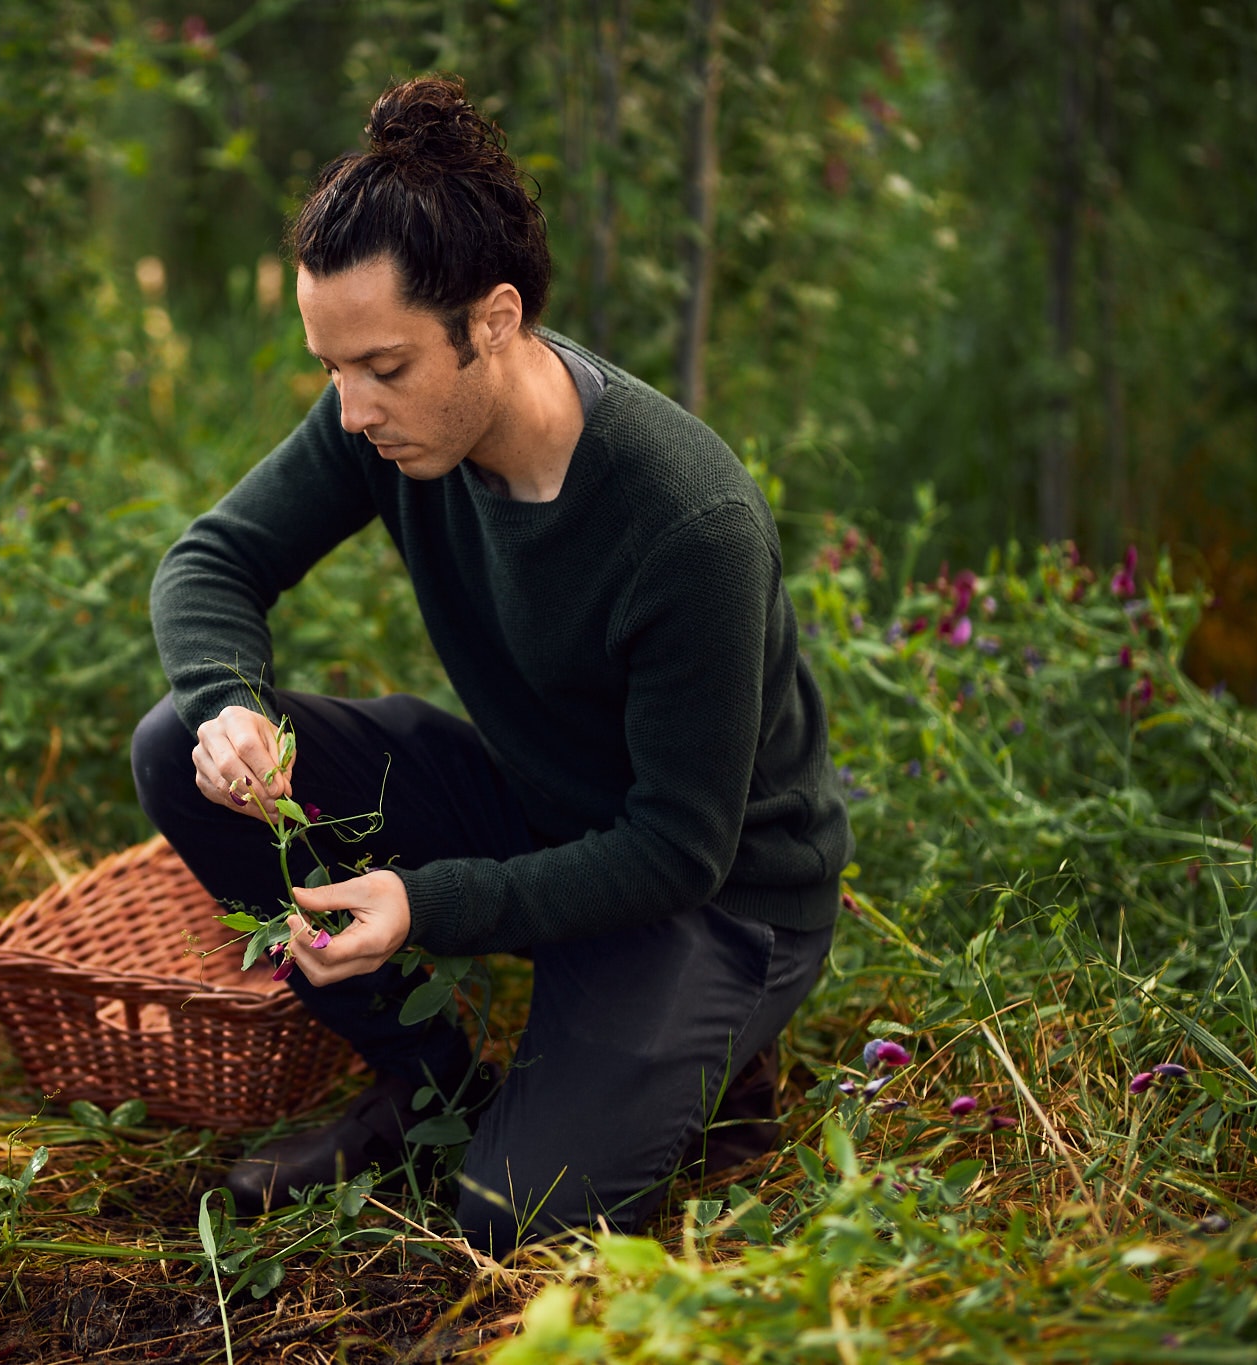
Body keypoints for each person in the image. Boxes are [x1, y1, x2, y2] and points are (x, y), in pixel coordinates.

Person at [130, 75, 853, 1255]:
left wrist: (427, 904)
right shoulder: (385, 415)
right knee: (171, 744)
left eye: (381, 367)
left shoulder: (686, 526)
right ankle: (426, 1085)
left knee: (514, 1217)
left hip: (716, 893)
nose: (352, 409)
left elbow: (677, 846)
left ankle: (722, 1055)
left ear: (496, 320)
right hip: (536, 804)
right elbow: (211, 560)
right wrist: (227, 708)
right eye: (329, 369)